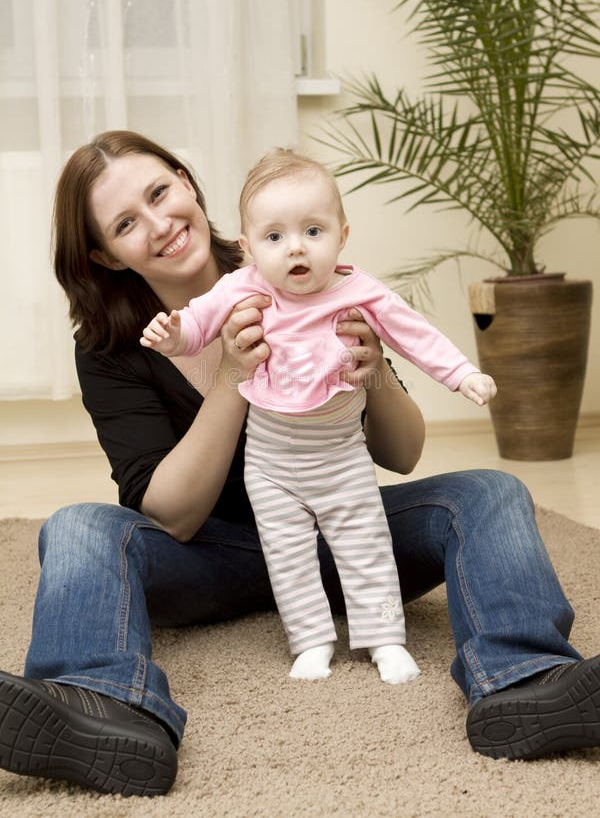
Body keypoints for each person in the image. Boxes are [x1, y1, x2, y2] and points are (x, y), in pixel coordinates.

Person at [0, 130, 599, 799]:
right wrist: (233, 376)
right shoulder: (113, 346)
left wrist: (373, 375)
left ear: (186, 181)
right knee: (80, 526)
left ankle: (526, 682)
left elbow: (400, 456)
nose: (161, 224)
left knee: (490, 492)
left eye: (160, 192)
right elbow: (169, 511)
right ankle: (97, 706)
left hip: (346, 534)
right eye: (126, 223)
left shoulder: (292, 249)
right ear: (104, 256)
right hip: (210, 560)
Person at [140, 148, 496, 685]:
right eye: (275, 237)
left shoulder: (358, 292)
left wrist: (463, 374)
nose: (296, 248)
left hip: (341, 455)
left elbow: (415, 334)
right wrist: (174, 338)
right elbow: (199, 322)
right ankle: (311, 642)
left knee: (365, 542)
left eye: (313, 230)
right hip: (271, 462)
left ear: (342, 235)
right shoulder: (244, 287)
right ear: (249, 248)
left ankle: (384, 639)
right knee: (288, 555)